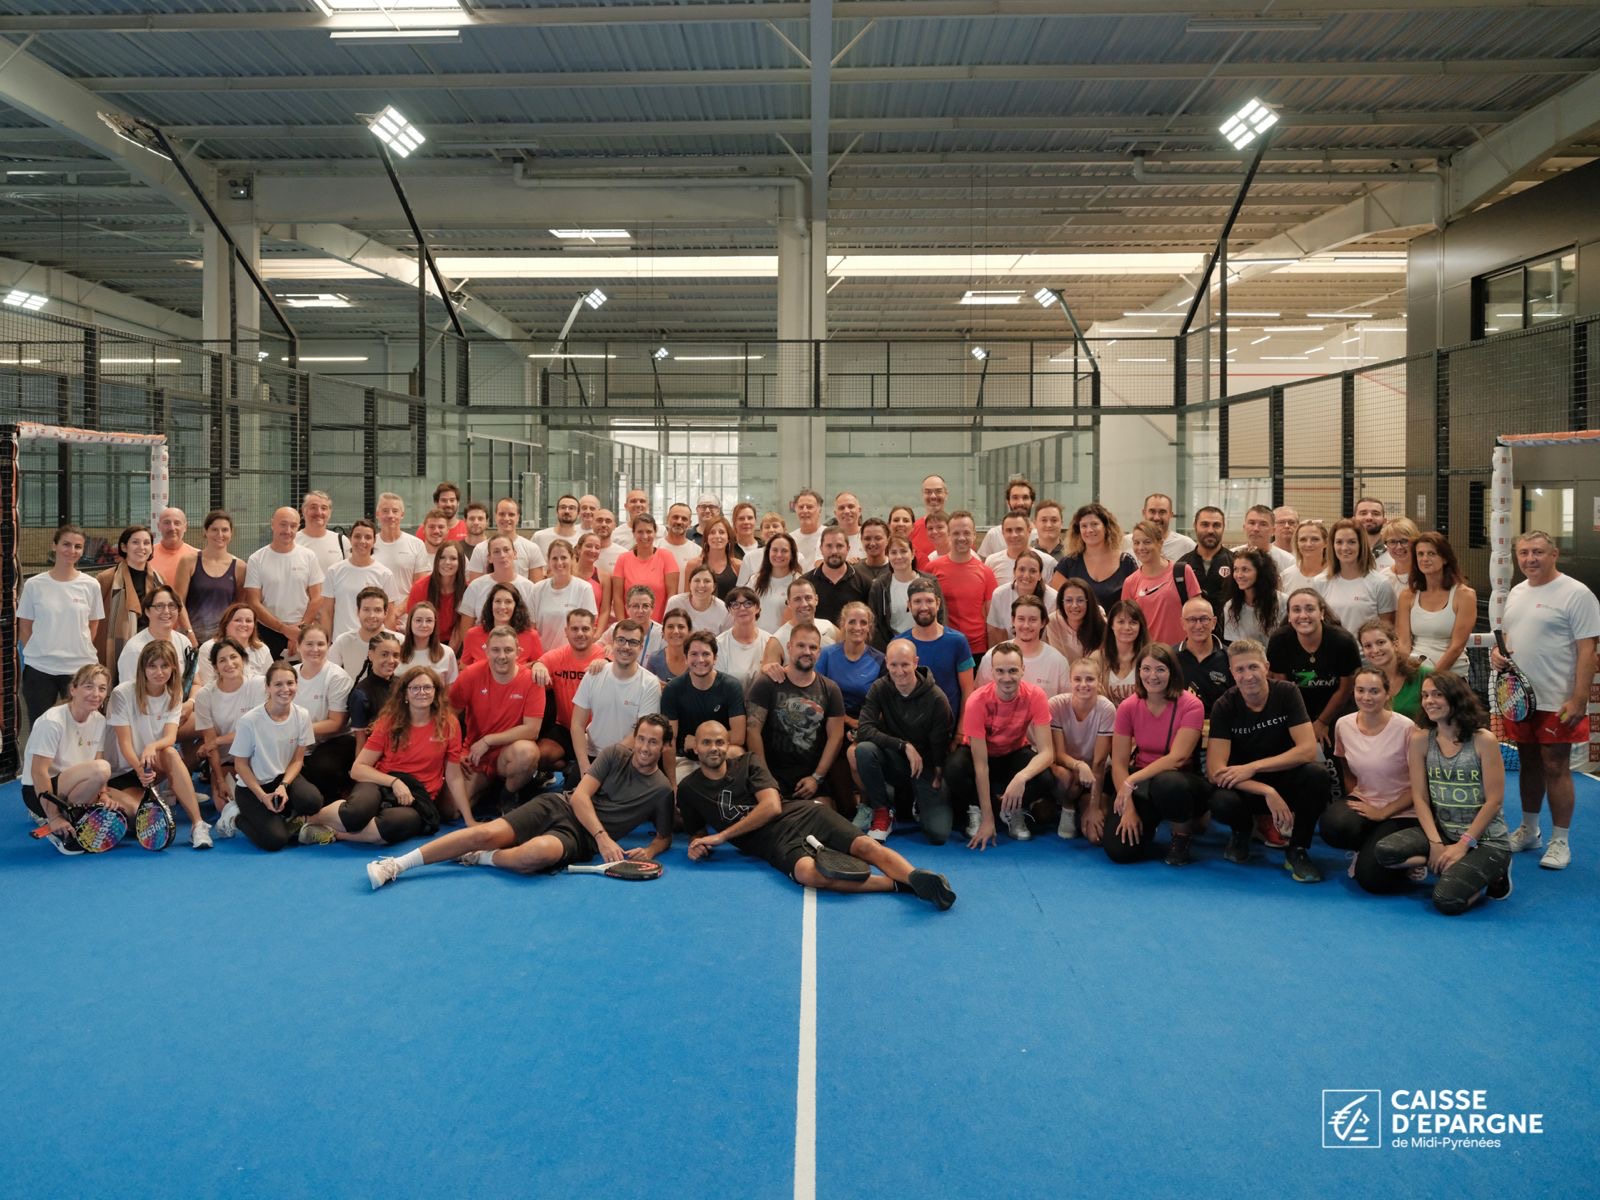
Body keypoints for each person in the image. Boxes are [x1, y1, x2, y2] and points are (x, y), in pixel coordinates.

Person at [364, 714, 674, 888]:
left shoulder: (661, 790)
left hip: (578, 839)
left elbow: (664, 837)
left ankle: (481, 857)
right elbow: (580, 796)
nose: (645, 747)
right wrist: (604, 837)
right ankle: (396, 865)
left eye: (653, 742)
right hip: (561, 806)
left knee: (532, 857)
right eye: (642, 738)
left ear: (664, 747)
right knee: (484, 833)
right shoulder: (614, 754)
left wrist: (648, 850)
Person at [681, 721, 956, 909]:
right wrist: (699, 846)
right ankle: (901, 885)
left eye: (720, 742)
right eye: (707, 742)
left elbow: (772, 806)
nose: (714, 748)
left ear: (728, 744)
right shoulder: (688, 789)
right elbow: (697, 830)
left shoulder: (748, 762)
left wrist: (723, 836)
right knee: (808, 874)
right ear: (696, 747)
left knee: (864, 845)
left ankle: (915, 875)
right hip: (773, 843)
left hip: (803, 814)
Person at [1493, 530, 1600, 871]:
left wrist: (1579, 697)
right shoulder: (1517, 593)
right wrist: (1499, 654)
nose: (1530, 559)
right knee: (1528, 764)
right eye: (1523, 553)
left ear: (1554, 554)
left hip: (1559, 701)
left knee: (1556, 766)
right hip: (1521, 700)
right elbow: (1510, 639)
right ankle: (1529, 830)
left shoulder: (1577, 594)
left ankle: (1560, 841)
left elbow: (1588, 650)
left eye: (1538, 552)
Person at [1374, 673, 1513, 913]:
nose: (1429, 701)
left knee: (1446, 901)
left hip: (1487, 841)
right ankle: (1449, 864)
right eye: (1425, 695)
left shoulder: (1484, 740)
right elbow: (1420, 797)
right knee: (1384, 853)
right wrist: (1435, 842)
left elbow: (1494, 801)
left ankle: (1495, 874)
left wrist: (1463, 845)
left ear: (1456, 698)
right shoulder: (1420, 740)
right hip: (1443, 832)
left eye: (1437, 694)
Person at [1205, 638, 1330, 882]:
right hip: (1248, 788)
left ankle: (1298, 849)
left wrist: (1254, 767)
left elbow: (1307, 750)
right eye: (1240, 669)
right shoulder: (1225, 705)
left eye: (1253, 667)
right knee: (1221, 800)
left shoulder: (1287, 693)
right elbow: (1215, 771)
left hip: (1284, 780)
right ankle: (1241, 832)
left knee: (1318, 776)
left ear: (1266, 666)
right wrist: (1265, 790)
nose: (1248, 675)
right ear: (1232, 673)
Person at [307, 666, 470, 849]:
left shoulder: (449, 724)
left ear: (435, 692)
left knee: (390, 825)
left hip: (418, 796)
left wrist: (470, 820)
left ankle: (335, 834)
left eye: (427, 687)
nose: (422, 692)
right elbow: (358, 769)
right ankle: (307, 820)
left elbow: (454, 777)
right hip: (381, 781)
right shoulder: (390, 721)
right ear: (405, 695)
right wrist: (394, 782)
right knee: (355, 814)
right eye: (415, 688)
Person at [1318, 664, 1419, 894]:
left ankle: (1411, 857)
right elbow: (1346, 769)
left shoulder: (1406, 728)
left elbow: (1420, 786)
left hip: (1404, 810)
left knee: (1371, 880)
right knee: (1333, 827)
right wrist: (1359, 797)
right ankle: (1369, 844)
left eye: (1374, 691)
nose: (1366, 697)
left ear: (1387, 694)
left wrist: (1384, 812)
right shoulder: (1343, 725)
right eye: (1360, 690)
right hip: (1366, 804)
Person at [1104, 644, 1208, 866]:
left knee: (1168, 782)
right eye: (1146, 669)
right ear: (1138, 672)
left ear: (1172, 672)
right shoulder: (1128, 706)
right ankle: (1148, 825)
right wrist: (1128, 807)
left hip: (1182, 781)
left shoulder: (1192, 705)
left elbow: (1178, 758)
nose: (1152, 676)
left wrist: (1131, 781)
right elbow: (1120, 764)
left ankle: (1181, 837)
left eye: (1160, 669)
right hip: (1142, 781)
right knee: (1119, 852)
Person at [946, 641, 1053, 848]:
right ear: (992, 672)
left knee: (1045, 778)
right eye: (1000, 671)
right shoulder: (977, 701)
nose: (1007, 678)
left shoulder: (1036, 695)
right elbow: (981, 765)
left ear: (1023, 670)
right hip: (979, 756)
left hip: (1013, 753)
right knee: (954, 769)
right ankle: (980, 808)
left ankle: (1012, 809)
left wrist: (1021, 778)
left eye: (1013, 670)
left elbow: (1048, 753)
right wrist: (988, 820)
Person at [104, 639, 209, 845]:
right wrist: (139, 770)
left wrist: (153, 746)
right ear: (143, 667)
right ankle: (107, 799)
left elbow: (170, 737)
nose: (159, 672)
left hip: (148, 768)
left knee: (170, 752)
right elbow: (124, 744)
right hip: (118, 774)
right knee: (136, 818)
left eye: (164, 666)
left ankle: (198, 825)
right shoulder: (122, 693)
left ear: (173, 668)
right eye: (152, 665)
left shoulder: (174, 694)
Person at [852, 639, 952, 844]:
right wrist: (903, 745)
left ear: (916, 662)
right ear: (886, 663)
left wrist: (938, 773)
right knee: (863, 750)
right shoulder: (880, 688)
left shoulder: (937, 698)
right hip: (896, 760)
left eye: (905, 664)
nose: (899, 671)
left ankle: (917, 801)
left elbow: (941, 743)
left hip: (926, 766)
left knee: (938, 834)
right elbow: (864, 729)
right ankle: (882, 811)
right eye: (893, 665)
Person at [220, 661, 323, 851]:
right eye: (278, 684)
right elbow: (240, 765)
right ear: (267, 687)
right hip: (252, 788)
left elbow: (298, 759)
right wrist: (262, 796)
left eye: (290, 683)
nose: (285, 689)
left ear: (296, 685)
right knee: (275, 840)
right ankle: (234, 817)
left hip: (283, 779)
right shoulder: (249, 721)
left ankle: (282, 814)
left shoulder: (302, 715)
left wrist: (284, 786)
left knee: (312, 801)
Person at [747, 624, 846, 814]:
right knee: (772, 816)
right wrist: (765, 777)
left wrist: (817, 777)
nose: (807, 652)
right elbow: (752, 731)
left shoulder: (831, 689)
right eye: (801, 646)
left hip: (810, 777)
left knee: (823, 815)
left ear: (819, 651)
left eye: (813, 647)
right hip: (772, 774)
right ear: (789, 647)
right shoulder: (767, 683)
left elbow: (836, 737)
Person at [447, 626, 545, 811]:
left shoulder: (531, 680)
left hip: (508, 753)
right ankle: (489, 787)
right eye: (496, 650)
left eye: (508, 650)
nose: (502, 656)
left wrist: (488, 740)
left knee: (527, 753)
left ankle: (507, 793)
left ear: (518, 652)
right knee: (451, 810)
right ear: (486, 651)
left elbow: (532, 730)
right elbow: (449, 717)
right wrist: (456, 753)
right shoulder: (470, 675)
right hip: (475, 754)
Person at [18, 525, 104, 724]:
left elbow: (93, 625)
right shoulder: (34, 585)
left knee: (80, 725)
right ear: (54, 545)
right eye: (66, 544)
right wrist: (41, 651)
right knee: (40, 726)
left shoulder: (91, 585)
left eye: (78, 546)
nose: (72, 551)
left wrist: (77, 648)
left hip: (79, 668)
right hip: (40, 668)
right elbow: (25, 627)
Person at [23, 663, 114, 852]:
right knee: (102, 768)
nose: (96, 694)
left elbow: (97, 760)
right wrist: (54, 816)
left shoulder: (99, 721)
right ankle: (55, 821)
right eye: (88, 686)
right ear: (73, 689)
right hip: (38, 792)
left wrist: (103, 794)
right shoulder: (52, 722)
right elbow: (38, 772)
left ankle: (73, 819)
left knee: (102, 773)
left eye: (102, 688)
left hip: (72, 787)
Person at [1269, 588, 1359, 751]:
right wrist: (1302, 725)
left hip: (1337, 708)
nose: (1303, 615)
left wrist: (1322, 722)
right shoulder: (1279, 641)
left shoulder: (1343, 642)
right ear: (1289, 616)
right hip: (1296, 709)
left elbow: (1346, 688)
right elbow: (1283, 688)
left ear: (1322, 613)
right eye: (1296, 610)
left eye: (1310, 609)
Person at [571, 618, 663, 775]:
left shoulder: (650, 683)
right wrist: (584, 766)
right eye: (621, 640)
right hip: (591, 755)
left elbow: (640, 735)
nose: (626, 647)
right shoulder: (593, 675)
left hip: (628, 759)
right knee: (570, 798)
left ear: (641, 648)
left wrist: (603, 767)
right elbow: (577, 724)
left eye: (632, 642)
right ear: (612, 643)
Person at [193, 639, 267, 829]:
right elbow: (209, 744)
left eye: (234, 657)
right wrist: (218, 779)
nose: (229, 664)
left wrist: (219, 740)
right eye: (222, 660)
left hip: (257, 757)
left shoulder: (259, 685)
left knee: (258, 800)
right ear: (216, 667)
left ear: (243, 659)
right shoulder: (205, 696)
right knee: (221, 804)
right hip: (227, 760)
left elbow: (257, 728)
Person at [661, 631, 746, 780]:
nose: (700, 659)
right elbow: (670, 740)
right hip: (687, 758)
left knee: (737, 752)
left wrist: (700, 742)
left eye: (706, 654)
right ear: (686, 658)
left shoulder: (731, 686)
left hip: (720, 753)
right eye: (694, 654)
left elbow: (738, 736)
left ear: (715, 658)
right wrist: (672, 783)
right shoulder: (673, 689)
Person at [244, 506, 325, 660]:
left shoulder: (308, 556)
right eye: (283, 524)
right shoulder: (257, 559)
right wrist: (283, 629)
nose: (288, 530)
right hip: (267, 632)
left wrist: (299, 630)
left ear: (298, 527)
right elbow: (253, 602)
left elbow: (317, 597)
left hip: (303, 630)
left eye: (293, 526)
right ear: (272, 524)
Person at [1049, 657, 1115, 842]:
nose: (1083, 684)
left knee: (1096, 837)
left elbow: (1100, 762)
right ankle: (1068, 806)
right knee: (1064, 778)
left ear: (1099, 680)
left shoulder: (1106, 709)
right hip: (1068, 772)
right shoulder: (1056, 705)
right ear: (1070, 681)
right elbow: (1058, 755)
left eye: (1090, 679)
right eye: (1077, 679)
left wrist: (1094, 808)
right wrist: (1079, 766)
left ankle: (1085, 805)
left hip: (1094, 775)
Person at [97, 524, 174, 683]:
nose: (142, 547)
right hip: (118, 645)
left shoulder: (159, 580)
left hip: (152, 646)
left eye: (146, 543)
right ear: (124, 547)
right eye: (135, 542)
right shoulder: (107, 578)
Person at [531, 608, 607, 769]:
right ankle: (562, 766)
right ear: (566, 631)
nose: (580, 633)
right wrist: (537, 665)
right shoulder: (557, 655)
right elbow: (539, 663)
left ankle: (570, 767)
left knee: (600, 769)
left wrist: (607, 664)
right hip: (564, 728)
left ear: (594, 631)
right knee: (538, 756)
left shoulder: (604, 657)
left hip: (598, 731)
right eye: (574, 629)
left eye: (585, 629)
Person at [891, 578, 974, 724]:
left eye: (929, 601)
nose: (924, 607)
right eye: (917, 602)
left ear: (938, 603)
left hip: (949, 727)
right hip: (910, 728)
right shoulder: (898, 645)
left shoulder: (958, 641)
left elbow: (968, 691)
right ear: (909, 605)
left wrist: (961, 730)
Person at [1396, 531, 1475, 676]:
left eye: (1431, 554)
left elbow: (1456, 647)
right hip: (1415, 674)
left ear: (1445, 559)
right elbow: (1403, 644)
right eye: (1420, 554)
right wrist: (1405, 675)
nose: (1425, 559)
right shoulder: (1407, 596)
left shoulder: (1465, 595)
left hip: (1451, 678)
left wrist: (1431, 679)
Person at [293, 624, 354, 801]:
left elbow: (336, 723)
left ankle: (334, 797)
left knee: (320, 768)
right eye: (309, 644)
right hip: (297, 739)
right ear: (298, 646)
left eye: (320, 644)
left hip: (333, 740)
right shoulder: (290, 673)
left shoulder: (337, 677)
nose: (315, 649)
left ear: (329, 646)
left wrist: (295, 730)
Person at [927, 511, 998, 658]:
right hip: (943, 646)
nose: (961, 538)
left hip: (976, 649)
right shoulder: (932, 569)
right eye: (955, 533)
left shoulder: (986, 573)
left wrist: (992, 654)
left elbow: (992, 619)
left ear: (974, 535)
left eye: (966, 533)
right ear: (948, 535)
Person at [1123, 519, 1203, 645]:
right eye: (1136, 543)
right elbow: (1128, 623)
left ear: (1160, 543)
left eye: (1147, 542)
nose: (1141, 547)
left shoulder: (1183, 572)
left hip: (1182, 653)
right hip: (1148, 655)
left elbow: (1199, 613)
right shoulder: (1130, 582)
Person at [321, 518, 402, 640]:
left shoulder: (385, 574)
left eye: (368, 537)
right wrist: (325, 643)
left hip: (374, 645)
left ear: (374, 541)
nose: (362, 541)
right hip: (342, 643)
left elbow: (390, 615)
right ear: (350, 539)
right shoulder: (334, 571)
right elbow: (327, 612)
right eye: (357, 536)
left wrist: (386, 644)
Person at [175, 509, 247, 645]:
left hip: (223, 641)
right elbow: (178, 602)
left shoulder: (240, 567)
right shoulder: (189, 561)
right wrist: (190, 635)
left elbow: (238, 608)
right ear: (205, 532)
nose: (220, 534)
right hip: (190, 639)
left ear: (231, 533)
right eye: (214, 529)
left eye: (225, 530)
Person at [976, 594, 1070, 697]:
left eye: (1033, 620)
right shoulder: (992, 657)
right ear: (1013, 620)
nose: (1026, 625)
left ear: (1043, 622)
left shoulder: (1058, 662)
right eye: (1021, 619)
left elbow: (1066, 704)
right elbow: (979, 698)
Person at [1052, 502, 1136, 612]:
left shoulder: (1126, 562)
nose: (1089, 530)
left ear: (1106, 527)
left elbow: (1135, 605)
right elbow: (1058, 605)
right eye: (1084, 526)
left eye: (1094, 524)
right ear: (1078, 531)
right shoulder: (1068, 564)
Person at [1318, 518, 1396, 632]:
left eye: (1352, 542)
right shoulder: (1320, 582)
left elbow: (1387, 630)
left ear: (1361, 545)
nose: (1345, 548)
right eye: (1339, 542)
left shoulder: (1380, 584)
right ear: (1332, 545)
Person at [867, 535, 944, 650]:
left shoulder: (930, 582)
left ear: (912, 554)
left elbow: (941, 615)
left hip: (929, 645)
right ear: (888, 556)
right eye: (893, 552)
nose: (898, 556)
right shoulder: (880, 586)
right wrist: (888, 651)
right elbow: (874, 624)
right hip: (895, 648)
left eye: (903, 551)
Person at [460, 534, 540, 639]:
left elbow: (531, 629)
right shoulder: (476, 586)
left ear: (515, 554)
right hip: (482, 650)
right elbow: (466, 631)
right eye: (496, 551)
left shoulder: (529, 588)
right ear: (489, 558)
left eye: (506, 550)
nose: (502, 555)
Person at [527, 538, 597, 649]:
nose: (559, 562)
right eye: (554, 558)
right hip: (542, 658)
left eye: (564, 558)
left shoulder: (584, 588)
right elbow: (531, 629)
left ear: (572, 558)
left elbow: (588, 629)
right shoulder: (537, 589)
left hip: (573, 657)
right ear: (548, 561)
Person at [1357, 618, 1430, 720]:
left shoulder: (1424, 674)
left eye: (1380, 642)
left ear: (1395, 644)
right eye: (1368, 646)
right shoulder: (1364, 681)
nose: (1375, 650)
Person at [611, 513, 678, 625]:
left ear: (655, 533)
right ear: (633, 533)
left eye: (649, 531)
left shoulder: (667, 557)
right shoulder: (623, 559)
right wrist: (623, 625)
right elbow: (617, 597)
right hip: (630, 627)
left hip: (659, 626)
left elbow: (672, 595)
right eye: (640, 532)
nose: (645, 536)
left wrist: (665, 625)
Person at [987, 550, 1058, 652]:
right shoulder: (1000, 594)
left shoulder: (1053, 598)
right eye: (1021, 569)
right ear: (1014, 572)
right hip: (1009, 653)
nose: (1026, 575)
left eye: (1033, 571)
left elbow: (1052, 637)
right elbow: (995, 632)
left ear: (1040, 575)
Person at [461, 583, 544, 668]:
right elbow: (464, 669)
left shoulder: (531, 636)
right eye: (498, 601)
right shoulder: (472, 635)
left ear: (516, 606)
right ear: (491, 605)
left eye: (508, 602)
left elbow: (540, 666)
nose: (502, 606)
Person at [466, 496, 547, 581]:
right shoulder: (480, 549)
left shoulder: (532, 548)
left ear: (518, 517)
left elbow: (536, 589)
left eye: (511, 514)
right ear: (495, 516)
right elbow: (475, 588)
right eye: (502, 514)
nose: (506, 518)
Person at [346, 631, 404, 750]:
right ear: (371, 655)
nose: (391, 660)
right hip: (378, 755)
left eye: (396, 655)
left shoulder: (403, 685)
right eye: (384, 654)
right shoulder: (360, 694)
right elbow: (361, 743)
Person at [1173, 596, 1232, 714]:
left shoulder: (1230, 657)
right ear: (1182, 623)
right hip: (1180, 727)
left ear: (1214, 622)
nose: (1199, 626)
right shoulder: (1170, 658)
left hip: (1221, 727)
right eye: (1192, 620)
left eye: (1204, 619)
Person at [408, 539, 467, 654]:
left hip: (455, 644)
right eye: (442, 557)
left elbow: (462, 626)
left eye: (453, 558)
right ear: (436, 561)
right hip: (424, 640)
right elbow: (414, 624)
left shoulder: (466, 590)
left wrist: (449, 652)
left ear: (461, 562)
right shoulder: (420, 587)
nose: (447, 562)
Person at [715, 586, 778, 687]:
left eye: (748, 603)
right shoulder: (719, 644)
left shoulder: (771, 641)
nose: (742, 608)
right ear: (730, 610)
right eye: (735, 605)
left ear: (757, 608)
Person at [1219, 546, 1284, 645]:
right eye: (1236, 569)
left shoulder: (1283, 601)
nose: (1239, 575)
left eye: (1245, 569)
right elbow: (1234, 646)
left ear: (1260, 572)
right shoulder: (1230, 606)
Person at [806, 527, 870, 624]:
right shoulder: (807, 583)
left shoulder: (864, 583)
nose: (834, 551)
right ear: (821, 549)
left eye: (839, 546)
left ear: (848, 549)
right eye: (829, 546)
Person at [1177, 505, 1232, 619]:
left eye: (1216, 525)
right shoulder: (1181, 566)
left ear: (1223, 527)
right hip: (1192, 631)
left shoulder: (1235, 563)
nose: (1210, 530)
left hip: (1228, 633)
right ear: (1195, 526)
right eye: (1205, 524)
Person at [768, 578, 840, 658]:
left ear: (816, 599)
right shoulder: (778, 640)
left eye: (808, 598)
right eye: (797, 599)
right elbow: (768, 669)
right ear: (789, 603)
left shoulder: (828, 627)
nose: (804, 604)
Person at [329, 587, 392, 678]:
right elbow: (328, 673)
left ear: (385, 613)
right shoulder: (343, 641)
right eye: (366, 609)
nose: (372, 615)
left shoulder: (400, 641)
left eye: (377, 610)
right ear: (358, 612)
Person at [1095, 599, 1150, 704]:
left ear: (1140, 627)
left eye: (1133, 622)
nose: (1127, 627)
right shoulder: (1097, 658)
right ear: (1111, 625)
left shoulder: (1150, 658)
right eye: (1121, 622)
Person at [370, 492, 430, 587]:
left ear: (402, 515)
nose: (390, 515)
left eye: (395, 511)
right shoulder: (369, 545)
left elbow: (420, 586)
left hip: (409, 602)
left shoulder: (417, 545)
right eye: (385, 511)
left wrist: (404, 603)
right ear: (377, 514)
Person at [984, 513, 1057, 588]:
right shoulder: (991, 562)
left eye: (1019, 530)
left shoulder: (1048, 562)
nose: (1014, 535)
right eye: (1009, 530)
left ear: (1029, 531)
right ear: (1003, 533)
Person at [1044, 576, 1105, 665]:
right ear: (1062, 602)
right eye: (1068, 600)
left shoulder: (1098, 614)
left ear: (1088, 602)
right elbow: (1059, 660)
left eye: (1080, 600)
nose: (1074, 605)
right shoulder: (1053, 621)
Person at [1119, 493, 1197, 560]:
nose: (1156, 518)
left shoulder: (1186, 545)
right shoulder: (1125, 543)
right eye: (1152, 511)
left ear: (1171, 515)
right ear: (1144, 513)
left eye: (1162, 512)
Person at [750, 531, 800, 633]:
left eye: (784, 551)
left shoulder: (798, 582)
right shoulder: (755, 580)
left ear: (792, 554)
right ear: (768, 552)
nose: (779, 554)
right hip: (758, 640)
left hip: (785, 641)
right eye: (774, 550)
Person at [978, 477, 1037, 558]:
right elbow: (983, 566)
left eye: (1025, 498)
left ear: (1032, 502)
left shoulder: (1039, 535)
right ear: (1008, 502)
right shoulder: (994, 535)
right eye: (1015, 498)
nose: (1020, 503)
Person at [402, 601, 458, 685]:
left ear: (435, 624)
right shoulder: (397, 651)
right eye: (418, 620)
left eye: (429, 620)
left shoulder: (447, 653)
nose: (424, 625)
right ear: (410, 622)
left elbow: (449, 689)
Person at [665, 565, 730, 636]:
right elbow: (666, 634)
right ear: (690, 585)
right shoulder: (675, 603)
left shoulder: (723, 609)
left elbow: (725, 640)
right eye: (697, 580)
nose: (701, 585)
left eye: (707, 581)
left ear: (714, 586)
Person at [688, 516, 742, 599]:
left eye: (721, 532)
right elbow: (687, 597)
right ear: (706, 538)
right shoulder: (694, 564)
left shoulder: (738, 566)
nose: (717, 536)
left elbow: (744, 597)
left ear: (728, 538)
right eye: (712, 532)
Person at [1235, 503, 1295, 574]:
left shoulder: (1289, 561)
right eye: (1252, 523)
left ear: (1273, 531)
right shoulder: (1231, 556)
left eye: (1263, 524)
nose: (1256, 529)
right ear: (1244, 528)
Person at [295, 490, 348, 570]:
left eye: (324, 508)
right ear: (303, 511)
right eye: (313, 507)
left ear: (329, 513)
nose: (319, 512)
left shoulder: (342, 541)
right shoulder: (293, 541)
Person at [150, 506, 198, 585]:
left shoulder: (198, 557)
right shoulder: (147, 556)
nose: (172, 528)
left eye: (177, 523)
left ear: (185, 527)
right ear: (159, 526)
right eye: (167, 523)